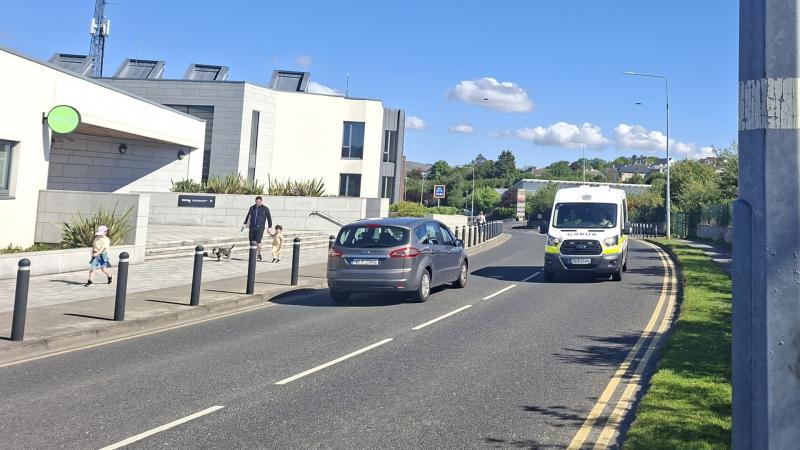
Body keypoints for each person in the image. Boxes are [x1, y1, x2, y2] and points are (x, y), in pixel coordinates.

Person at [242, 196, 272, 261]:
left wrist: (269, 227)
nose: (257, 203)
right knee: (251, 241)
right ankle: (253, 254)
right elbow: (248, 216)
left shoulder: (265, 209)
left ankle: (258, 254)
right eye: (256, 202)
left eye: (258, 202)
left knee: (258, 241)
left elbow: (269, 218)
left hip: (260, 228)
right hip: (252, 227)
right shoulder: (252, 208)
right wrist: (244, 224)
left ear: (261, 201)